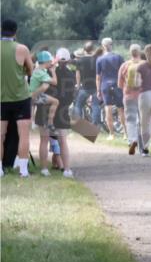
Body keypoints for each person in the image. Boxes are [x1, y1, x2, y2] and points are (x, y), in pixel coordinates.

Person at [0, 19, 34, 177]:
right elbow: (30, 71)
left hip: (1, 98)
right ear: (15, 31)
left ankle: (0, 169)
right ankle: (23, 170)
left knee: (1, 135)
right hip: (21, 97)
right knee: (24, 134)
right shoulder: (22, 48)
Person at [50, 48, 75, 177]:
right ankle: (66, 168)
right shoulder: (72, 74)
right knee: (62, 140)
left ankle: (58, 163)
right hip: (64, 109)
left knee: (52, 139)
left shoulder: (52, 72)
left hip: (51, 109)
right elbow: (71, 95)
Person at [118, 44, 145, 155]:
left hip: (128, 96)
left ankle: (132, 140)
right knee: (143, 120)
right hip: (143, 96)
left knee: (130, 120)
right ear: (139, 52)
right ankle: (143, 146)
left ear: (130, 53)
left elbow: (119, 84)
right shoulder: (145, 65)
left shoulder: (124, 65)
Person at [95, 38, 124, 139]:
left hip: (105, 84)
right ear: (112, 45)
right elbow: (123, 72)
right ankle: (125, 133)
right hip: (117, 84)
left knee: (108, 108)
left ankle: (111, 134)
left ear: (103, 46)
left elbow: (98, 77)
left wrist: (98, 90)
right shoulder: (119, 57)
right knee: (121, 108)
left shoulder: (99, 59)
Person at [29, 50, 60, 134]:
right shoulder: (41, 73)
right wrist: (53, 71)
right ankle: (50, 123)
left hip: (33, 94)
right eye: (50, 61)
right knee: (56, 101)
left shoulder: (38, 70)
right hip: (35, 95)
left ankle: (33, 124)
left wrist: (53, 63)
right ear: (46, 61)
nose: (51, 63)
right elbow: (55, 82)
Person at [72, 41, 101, 126]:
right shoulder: (97, 59)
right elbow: (99, 74)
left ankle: (80, 124)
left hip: (84, 87)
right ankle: (94, 124)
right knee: (95, 105)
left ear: (84, 50)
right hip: (95, 86)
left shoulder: (80, 60)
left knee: (78, 105)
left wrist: (78, 85)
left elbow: (78, 74)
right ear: (93, 50)